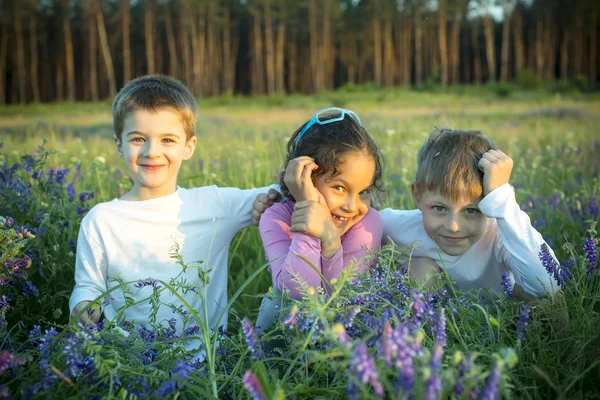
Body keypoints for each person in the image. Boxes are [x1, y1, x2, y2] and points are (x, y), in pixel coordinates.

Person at [69, 75, 277, 345]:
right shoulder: (101, 219)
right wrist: (84, 307)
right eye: (138, 139)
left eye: (167, 140)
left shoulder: (215, 206)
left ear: (188, 147)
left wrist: (269, 201)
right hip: (125, 368)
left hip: (206, 371)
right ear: (119, 144)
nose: (152, 151)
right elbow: (88, 287)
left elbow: (286, 191)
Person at [379, 128, 560, 301]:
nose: (453, 226)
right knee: (421, 270)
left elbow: (549, 284)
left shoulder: (500, 237)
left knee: (545, 302)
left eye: (471, 210)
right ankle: (417, 329)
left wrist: (502, 200)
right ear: (417, 196)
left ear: (491, 203)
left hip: (505, 321)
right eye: (439, 208)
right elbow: (360, 225)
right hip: (439, 322)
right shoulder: (396, 226)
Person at [255, 107, 384, 334]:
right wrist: (311, 214)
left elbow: (344, 300)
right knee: (273, 307)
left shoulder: (367, 222)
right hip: (288, 338)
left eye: (363, 191)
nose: (352, 206)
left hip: (350, 334)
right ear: (304, 177)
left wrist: (331, 241)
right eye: (339, 188)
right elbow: (297, 293)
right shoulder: (276, 218)